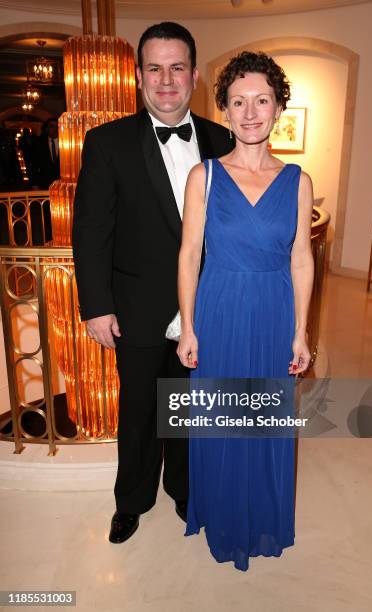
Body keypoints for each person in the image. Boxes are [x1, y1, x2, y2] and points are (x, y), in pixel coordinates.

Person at [72, 22, 234, 545]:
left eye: (178, 67)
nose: (167, 80)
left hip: (205, 310)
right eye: (155, 68)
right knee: (139, 412)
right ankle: (132, 502)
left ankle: (186, 492)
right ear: (139, 75)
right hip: (136, 310)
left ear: (193, 75)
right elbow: (92, 232)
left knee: (189, 410)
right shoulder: (106, 142)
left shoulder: (222, 138)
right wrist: (96, 307)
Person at [177, 51, 314, 571]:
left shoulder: (298, 182)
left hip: (274, 312)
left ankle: (262, 514)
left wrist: (302, 332)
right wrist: (188, 325)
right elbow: (189, 255)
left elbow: (302, 259)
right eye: (239, 102)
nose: (250, 111)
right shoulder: (204, 177)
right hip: (220, 311)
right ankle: (224, 513)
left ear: (278, 108)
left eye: (261, 100)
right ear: (225, 111)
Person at [32, 117, 60, 189]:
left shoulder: (66, 143)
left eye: (57, 126)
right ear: (46, 129)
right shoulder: (39, 143)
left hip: (61, 183)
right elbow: (35, 164)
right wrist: (35, 183)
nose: (55, 129)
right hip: (45, 182)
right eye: (52, 126)